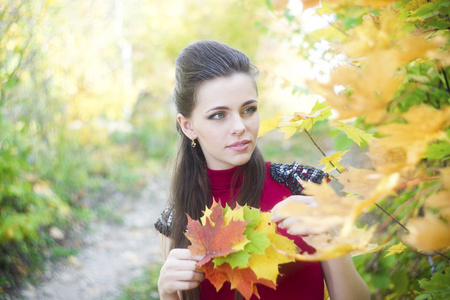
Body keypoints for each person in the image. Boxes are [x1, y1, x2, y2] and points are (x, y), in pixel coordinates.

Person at [154, 40, 370, 300]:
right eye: (219, 115)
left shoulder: (301, 187)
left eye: (248, 110)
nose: (240, 126)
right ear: (188, 126)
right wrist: (166, 293)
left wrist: (331, 235)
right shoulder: (178, 219)